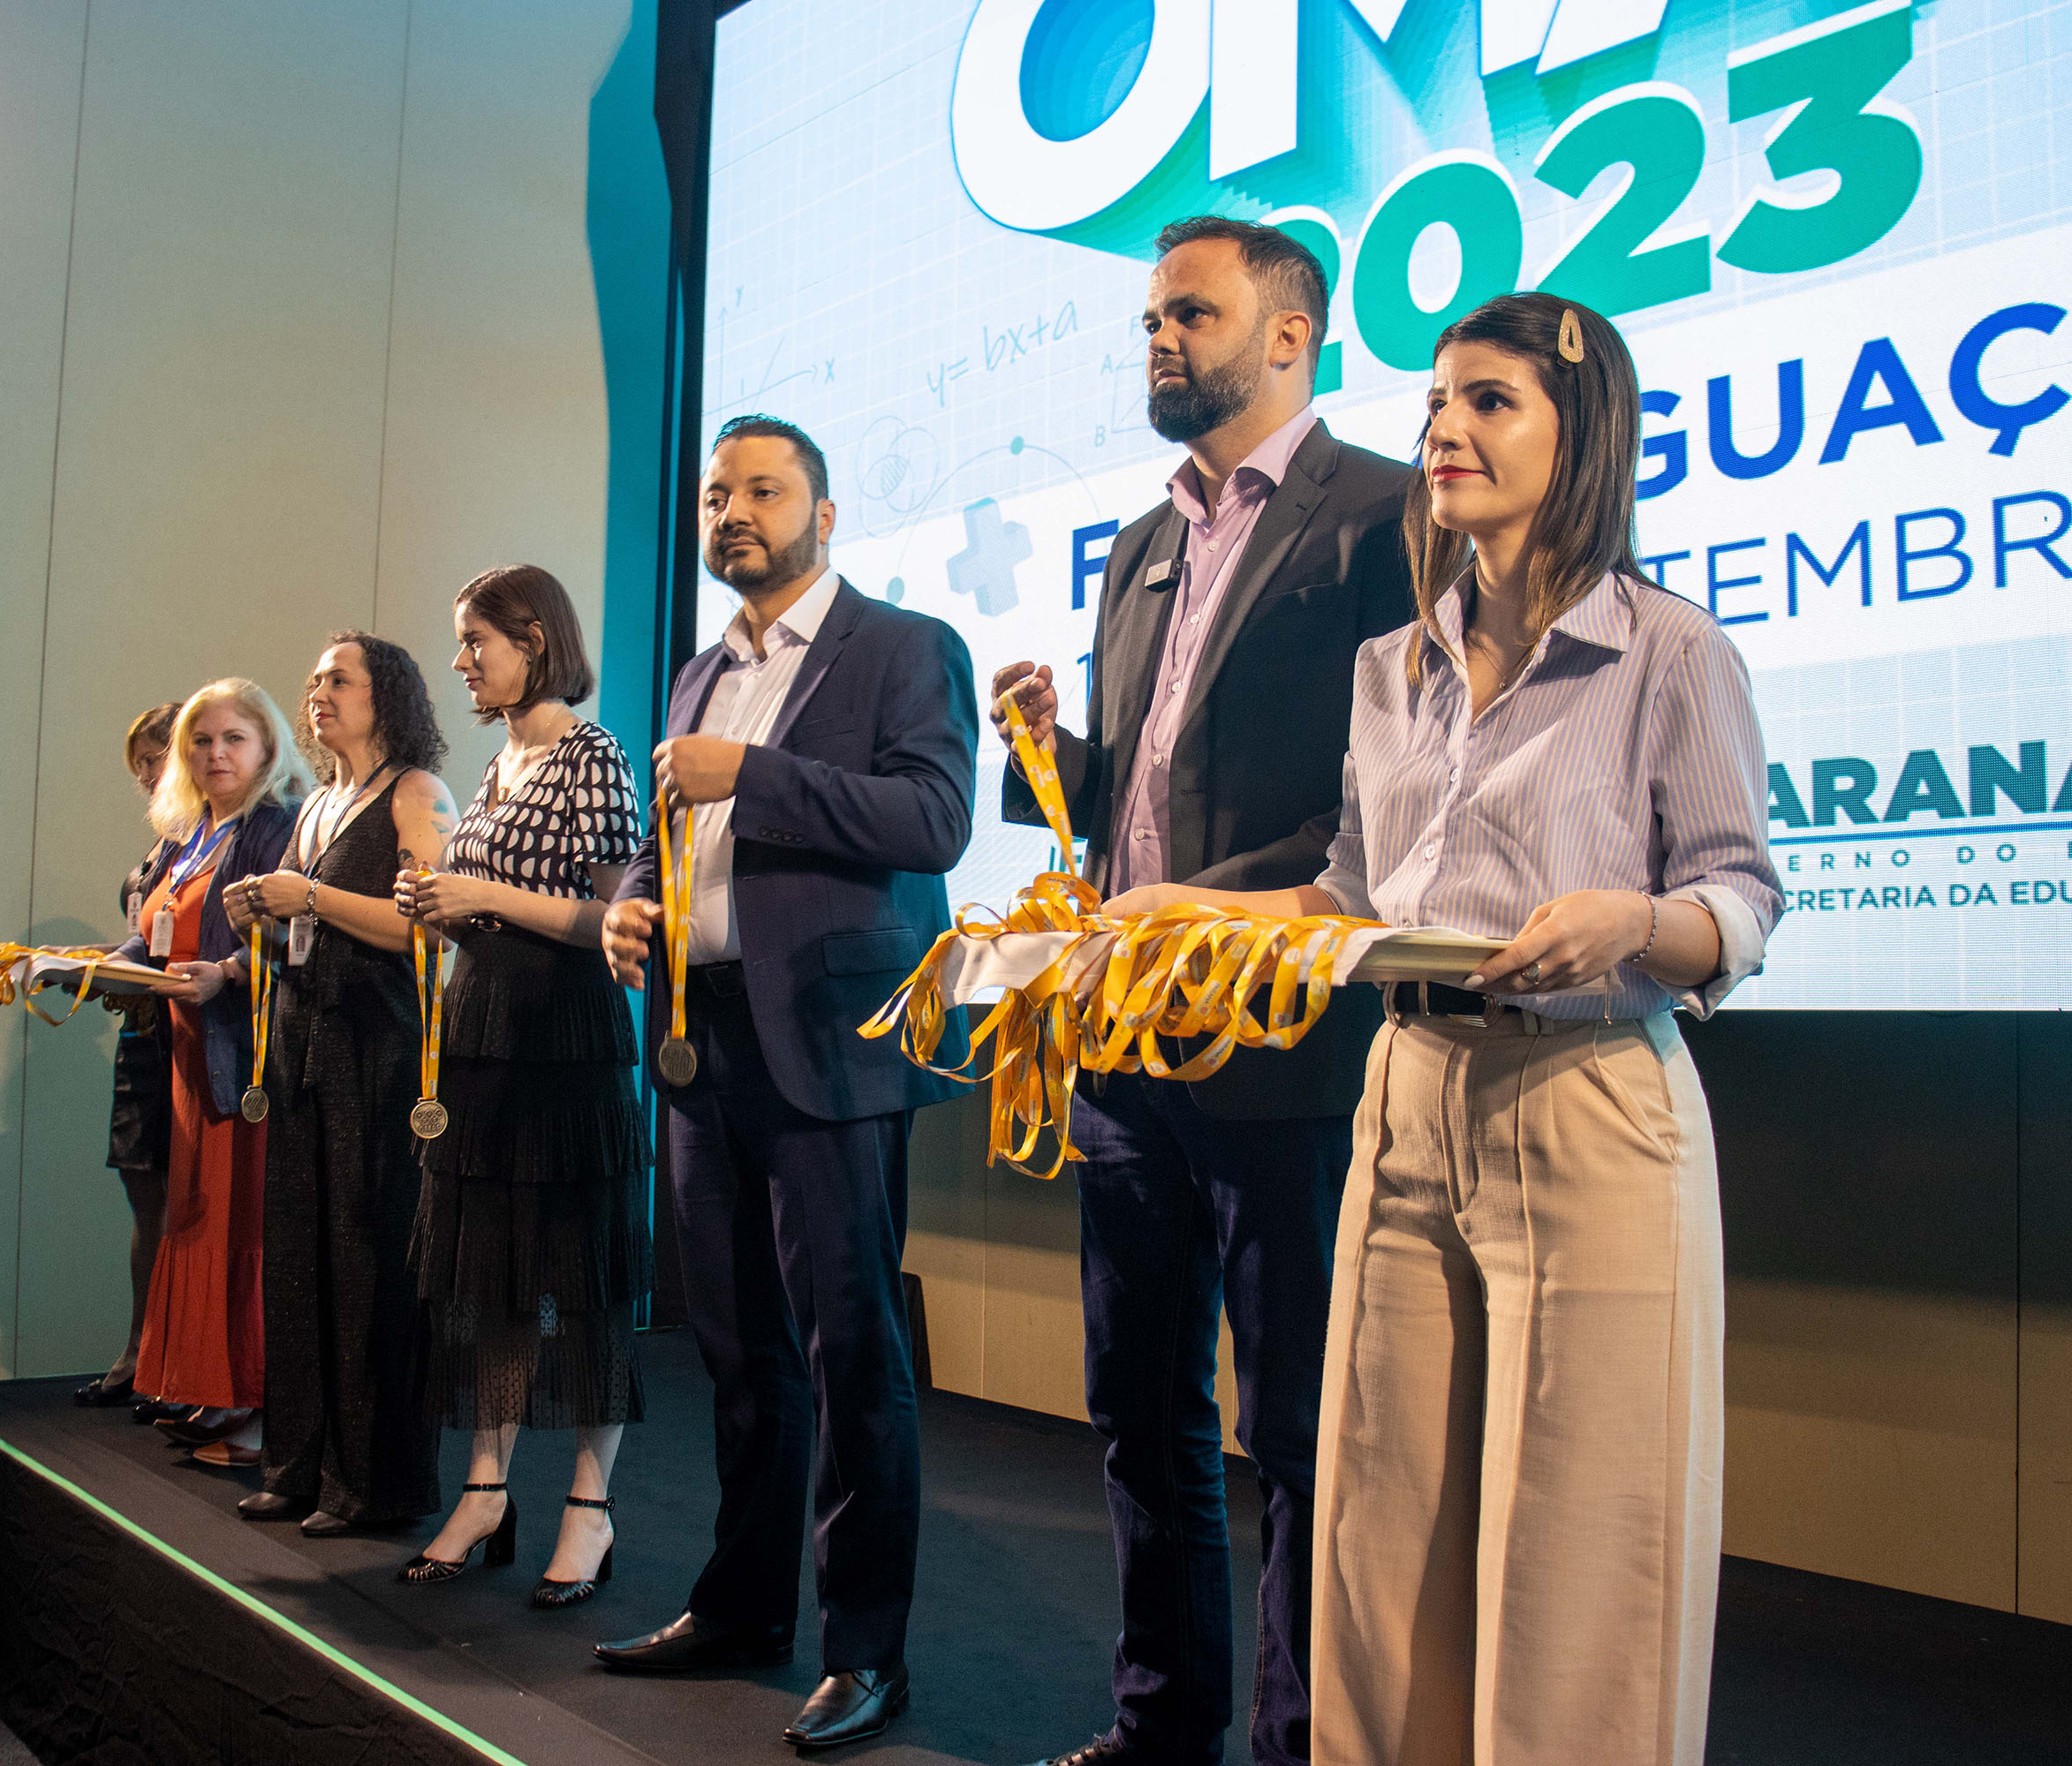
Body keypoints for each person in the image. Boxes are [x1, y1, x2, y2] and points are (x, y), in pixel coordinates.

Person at [1106, 293, 1783, 1766]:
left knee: (1582, 1548)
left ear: (1578, 433)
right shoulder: (1391, 669)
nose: (1445, 432)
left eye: (1491, 403)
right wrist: (1191, 918)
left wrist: (1634, 924)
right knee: (1377, 1522)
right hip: (1407, 1095)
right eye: (1437, 403)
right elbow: (1352, 897)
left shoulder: (1672, 654)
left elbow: (1738, 894)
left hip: (1591, 1093)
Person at [991, 215, 1413, 1766]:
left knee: (1295, 1431)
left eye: (1192, 312)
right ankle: (1162, 1723)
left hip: (1282, 1043)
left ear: (1290, 334)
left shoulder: (1380, 515)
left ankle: (1301, 1741)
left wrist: (1208, 908)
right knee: (1138, 1412)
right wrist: (1051, 760)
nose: (1159, 338)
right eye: (1151, 317)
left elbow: (1392, 804)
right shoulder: (1142, 538)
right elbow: (1135, 815)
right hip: (1123, 1047)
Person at [595, 415, 976, 1752]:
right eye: (716, 494)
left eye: (764, 490)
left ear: (824, 512)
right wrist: (629, 910)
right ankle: (743, 1607)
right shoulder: (701, 671)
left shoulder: (905, 648)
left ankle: (868, 1653)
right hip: (703, 1050)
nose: (733, 512)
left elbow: (934, 820)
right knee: (740, 1354)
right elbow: (668, 844)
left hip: (834, 1046)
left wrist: (753, 775)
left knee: (854, 1353)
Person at [386, 567, 651, 1604]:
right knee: (487, 1274)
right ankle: (487, 1488)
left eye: (474, 641)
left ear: (533, 639)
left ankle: (591, 1502)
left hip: (565, 1039)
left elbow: (612, 919)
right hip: (483, 1033)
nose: (461, 661)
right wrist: (440, 908)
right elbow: (495, 909)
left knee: (582, 1276)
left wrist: (481, 890)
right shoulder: (500, 763)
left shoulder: (595, 755)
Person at [220, 636, 453, 1534]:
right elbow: (306, 927)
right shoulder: (318, 800)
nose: (316, 690)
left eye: (338, 679)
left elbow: (428, 926)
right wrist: (264, 918)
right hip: (306, 1041)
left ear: (384, 695)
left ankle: (375, 1481)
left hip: (377, 1049)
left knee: (366, 1259)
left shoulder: (416, 792)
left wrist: (308, 899)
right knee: (300, 1253)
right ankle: (300, 1463)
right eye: (312, 677)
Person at [108, 679, 308, 1468]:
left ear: (267, 750)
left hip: (245, 1057)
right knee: (196, 1222)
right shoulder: (190, 831)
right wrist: (82, 968)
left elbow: (286, 937)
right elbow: (149, 935)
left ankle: (257, 1410)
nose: (214, 753)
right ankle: (213, 1391)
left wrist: (225, 972)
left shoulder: (273, 826)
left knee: (243, 1230)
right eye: (201, 740)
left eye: (233, 739)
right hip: (189, 1058)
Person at [80, 702, 181, 1411]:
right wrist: (81, 967)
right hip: (141, 1036)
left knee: (193, 1209)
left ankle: (176, 1360)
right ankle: (141, 1346)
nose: (148, 775)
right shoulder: (158, 851)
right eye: (141, 763)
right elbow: (137, 949)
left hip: (193, 1036)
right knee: (144, 1200)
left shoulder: (225, 840)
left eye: (158, 758)